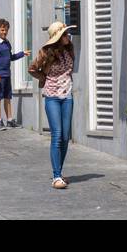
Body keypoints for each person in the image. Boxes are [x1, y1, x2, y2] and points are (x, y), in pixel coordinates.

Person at [30, 21, 76, 190]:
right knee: (56, 134)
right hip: (52, 97)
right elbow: (32, 68)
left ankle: (60, 172)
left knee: (65, 136)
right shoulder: (45, 52)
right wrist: (43, 78)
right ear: (57, 37)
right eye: (64, 34)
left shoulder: (70, 49)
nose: (67, 36)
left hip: (68, 96)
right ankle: (56, 176)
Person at [0, 19, 27, 130]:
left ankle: (9, 120)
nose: (4, 32)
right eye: (2, 30)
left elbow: (11, 57)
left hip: (7, 74)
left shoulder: (7, 43)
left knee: (7, 97)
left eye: (6, 30)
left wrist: (22, 54)